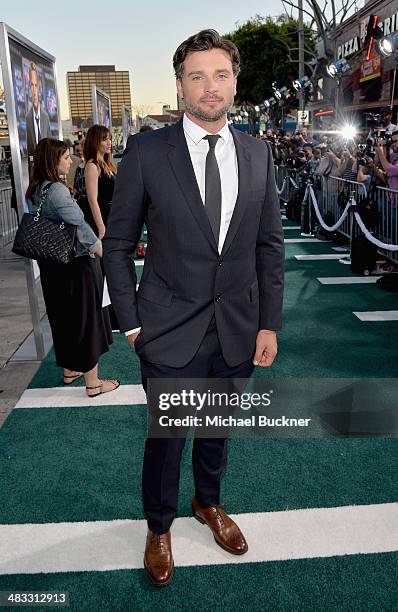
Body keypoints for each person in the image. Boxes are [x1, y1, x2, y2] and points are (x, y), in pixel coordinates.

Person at [103, 29, 284, 587]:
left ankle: (209, 504)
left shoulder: (258, 152)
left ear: (235, 81)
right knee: (167, 439)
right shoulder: (148, 151)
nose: (211, 87)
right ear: (180, 85)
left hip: (237, 326)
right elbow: (117, 243)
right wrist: (132, 324)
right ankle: (159, 527)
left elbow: (268, 246)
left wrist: (269, 324)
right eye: (198, 76)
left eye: (221, 74)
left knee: (216, 429)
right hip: (167, 329)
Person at [26, 138, 119, 397]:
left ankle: (70, 370)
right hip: (76, 266)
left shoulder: (37, 189)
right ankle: (94, 384)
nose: (70, 160)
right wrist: (101, 251)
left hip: (52, 266)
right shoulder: (56, 190)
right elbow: (79, 226)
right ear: (52, 160)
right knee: (88, 320)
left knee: (64, 319)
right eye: (66, 157)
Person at [82, 125, 116, 238]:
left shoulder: (107, 164)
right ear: (95, 142)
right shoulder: (92, 166)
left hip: (112, 218)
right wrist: (101, 228)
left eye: (110, 139)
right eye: (104, 139)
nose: (109, 143)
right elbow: (92, 200)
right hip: (102, 219)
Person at [26, 62, 51, 157]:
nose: (34, 91)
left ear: (39, 87)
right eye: (31, 85)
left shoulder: (45, 116)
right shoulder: (26, 118)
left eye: (36, 85)